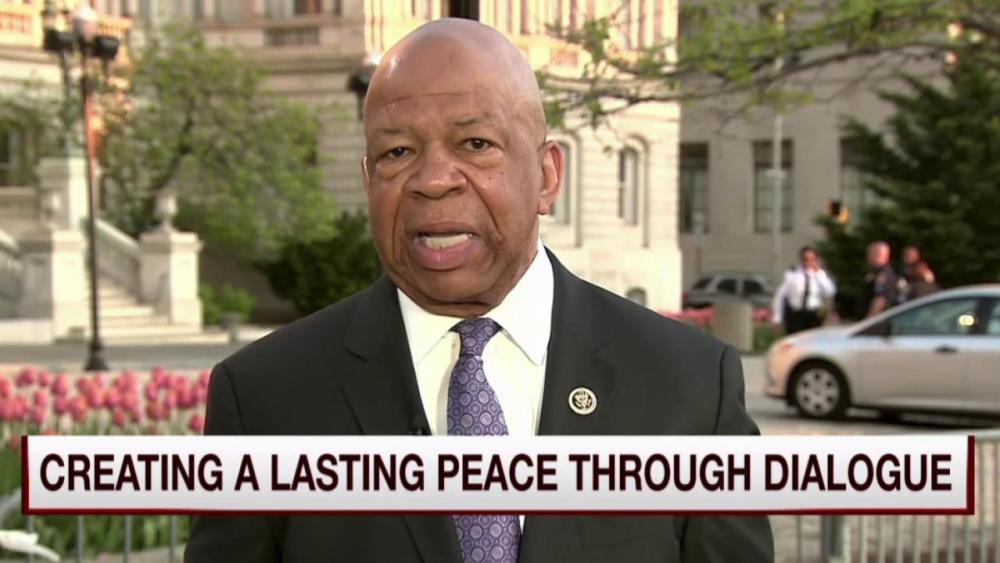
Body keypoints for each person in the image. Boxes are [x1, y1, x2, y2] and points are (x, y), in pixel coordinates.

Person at [185, 19, 773, 563]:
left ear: (547, 177)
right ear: (368, 182)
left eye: (475, 144)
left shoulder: (691, 386)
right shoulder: (263, 399)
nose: (434, 180)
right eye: (397, 152)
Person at [772, 246, 836, 334]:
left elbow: (830, 292)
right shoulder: (792, 274)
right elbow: (780, 296)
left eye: (812, 259)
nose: (809, 262)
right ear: (801, 260)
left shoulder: (821, 275)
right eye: (806, 259)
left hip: (814, 315)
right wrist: (777, 317)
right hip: (796, 315)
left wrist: (818, 274)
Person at [860, 241, 898, 318]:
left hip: (878, 320)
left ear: (877, 254)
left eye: (869, 254)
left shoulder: (883, 275)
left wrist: (869, 321)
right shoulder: (878, 272)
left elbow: (880, 299)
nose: (867, 257)